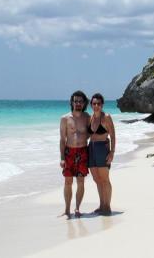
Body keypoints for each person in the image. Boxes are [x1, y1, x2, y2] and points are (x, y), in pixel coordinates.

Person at [59, 90, 90, 218]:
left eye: (80, 101)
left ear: (84, 103)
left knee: (81, 182)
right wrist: (62, 158)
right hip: (69, 152)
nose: (78, 103)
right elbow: (62, 139)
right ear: (72, 102)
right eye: (75, 101)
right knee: (68, 182)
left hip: (82, 151)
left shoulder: (87, 117)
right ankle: (67, 210)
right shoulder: (65, 118)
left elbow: (93, 132)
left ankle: (77, 208)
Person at [88, 93, 115, 215]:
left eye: (99, 103)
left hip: (102, 148)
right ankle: (101, 205)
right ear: (91, 105)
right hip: (91, 149)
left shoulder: (106, 117)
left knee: (105, 179)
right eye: (94, 103)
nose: (96, 106)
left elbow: (113, 136)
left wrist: (112, 152)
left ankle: (107, 206)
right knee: (97, 179)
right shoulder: (90, 118)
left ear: (102, 105)